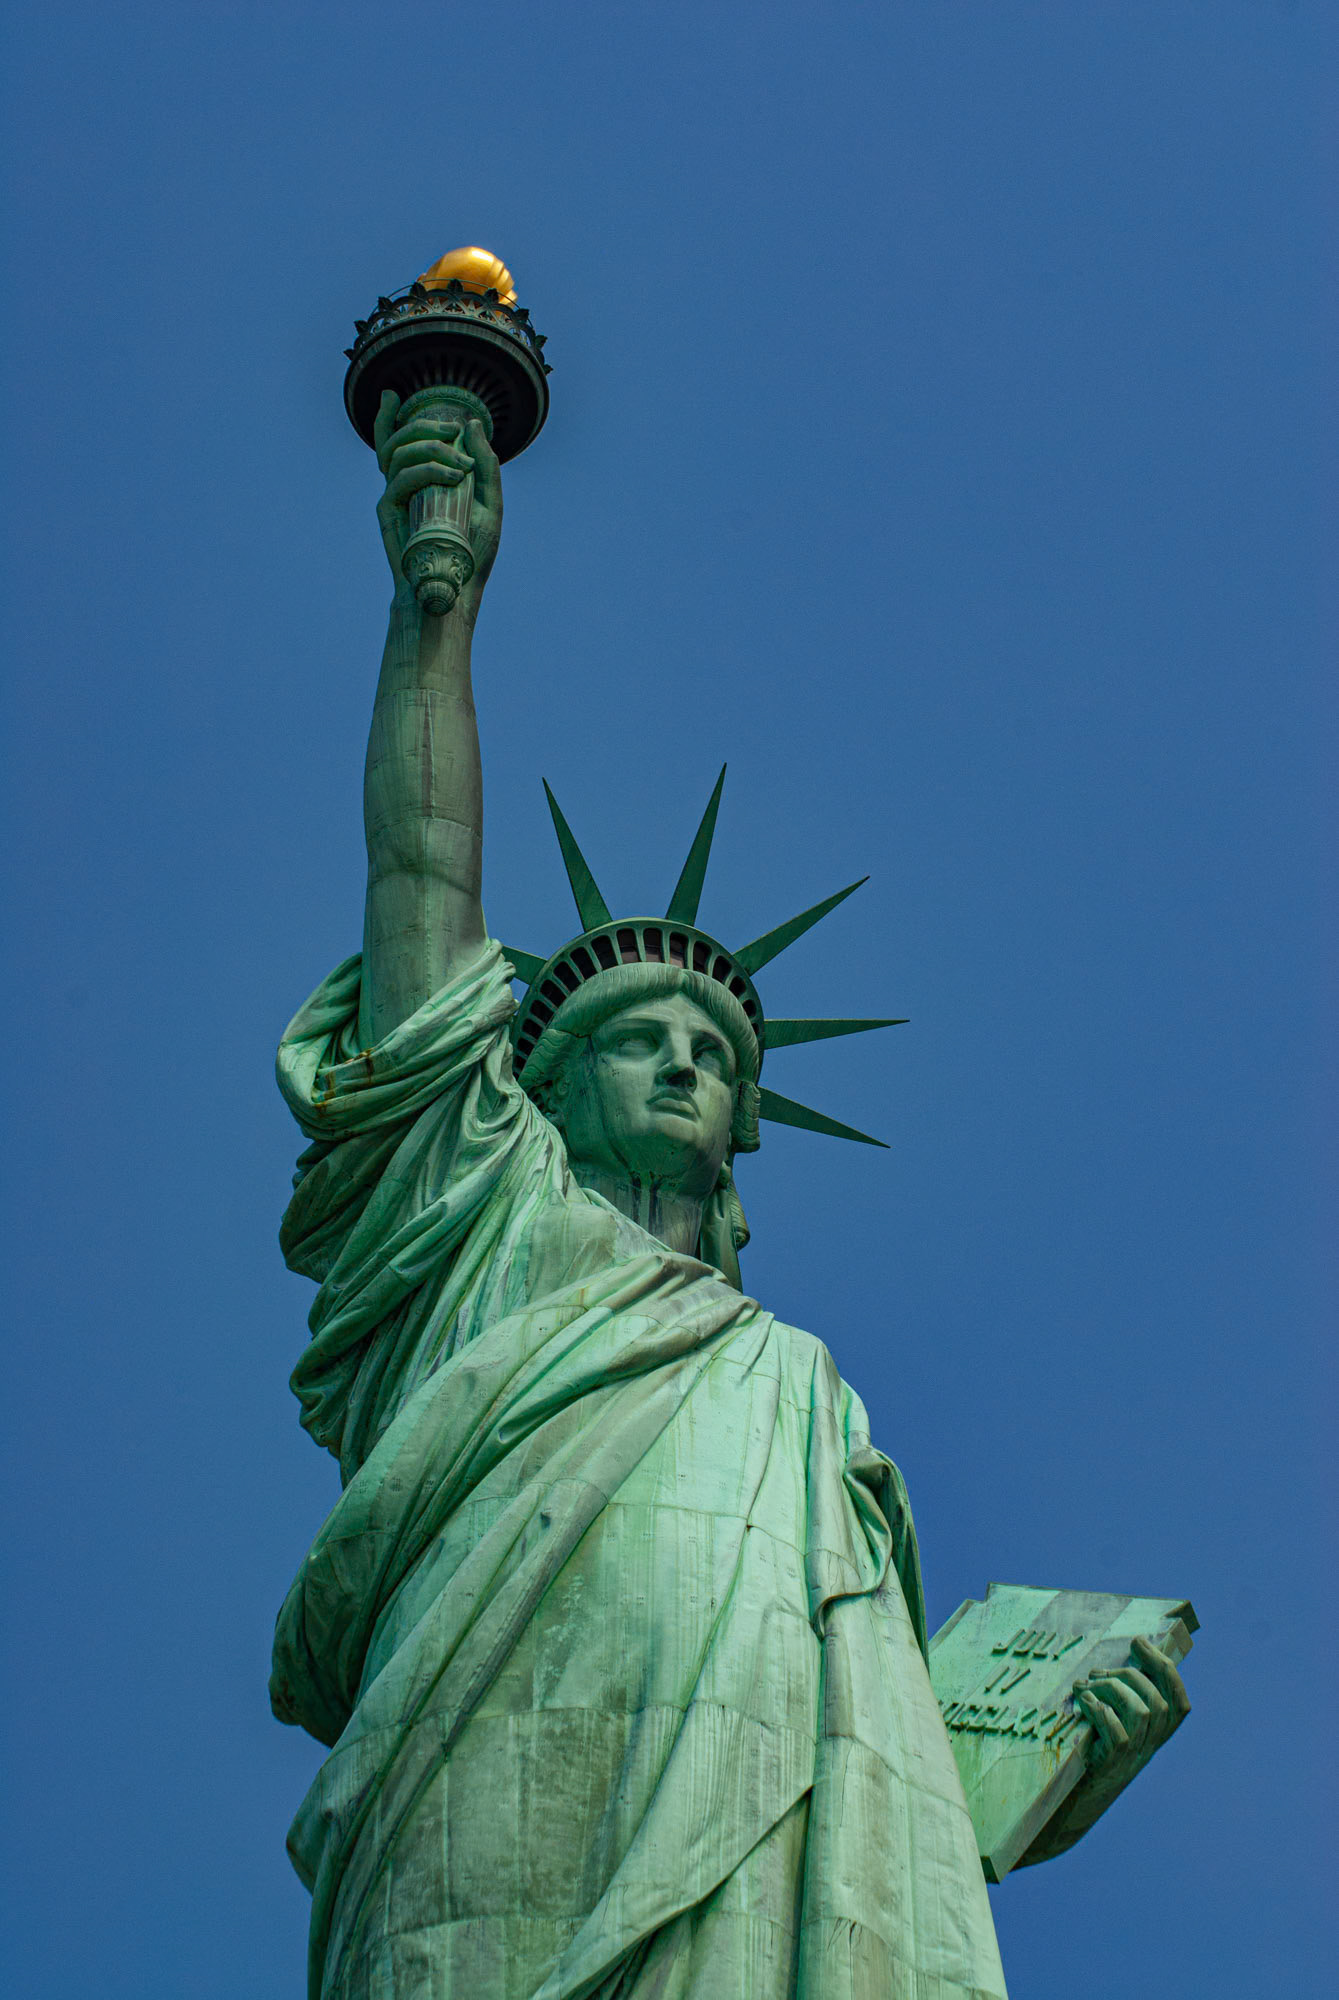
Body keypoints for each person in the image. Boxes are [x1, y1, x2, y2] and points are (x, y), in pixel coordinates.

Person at [270, 394, 1186, 2000]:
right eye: (638, 1040)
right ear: (527, 1097)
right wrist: (439, 600)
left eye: (712, 1048)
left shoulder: (803, 1398)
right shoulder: (479, 1237)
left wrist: (1057, 1777)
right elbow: (420, 879)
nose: (685, 1065)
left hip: (783, 1887)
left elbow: (889, 1756)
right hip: (482, 1792)